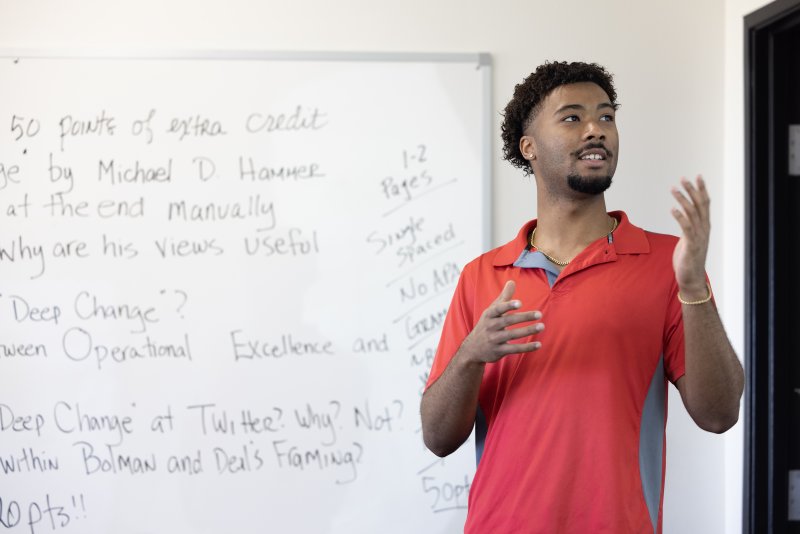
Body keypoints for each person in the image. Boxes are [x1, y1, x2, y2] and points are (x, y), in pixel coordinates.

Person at [419, 61, 744, 534]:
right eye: (572, 117)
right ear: (527, 147)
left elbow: (719, 415)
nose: (597, 130)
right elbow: (438, 438)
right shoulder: (482, 276)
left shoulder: (668, 264)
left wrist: (693, 288)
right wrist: (471, 355)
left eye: (607, 117)